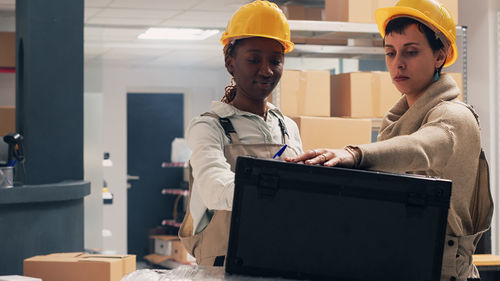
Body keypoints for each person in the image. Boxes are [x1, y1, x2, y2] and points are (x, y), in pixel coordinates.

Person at [285, 0, 493, 280]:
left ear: (440, 56)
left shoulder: (454, 117)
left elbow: (420, 148)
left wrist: (355, 155)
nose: (398, 63)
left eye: (411, 52)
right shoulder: (395, 123)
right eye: (390, 52)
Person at [178, 0, 303, 267]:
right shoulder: (209, 127)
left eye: (276, 60)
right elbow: (215, 189)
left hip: (281, 261)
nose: (266, 70)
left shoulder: (287, 128)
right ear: (230, 62)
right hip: (223, 270)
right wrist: (284, 192)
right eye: (254, 59)